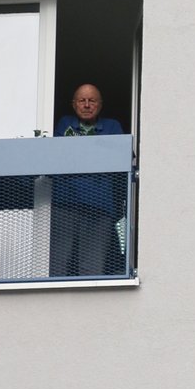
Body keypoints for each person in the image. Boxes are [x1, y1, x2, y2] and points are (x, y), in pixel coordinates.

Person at [50, 82, 128, 277]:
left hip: (99, 205)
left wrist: (78, 158)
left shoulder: (112, 126)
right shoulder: (65, 123)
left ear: (100, 105)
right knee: (59, 262)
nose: (86, 105)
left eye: (92, 101)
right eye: (82, 101)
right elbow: (58, 158)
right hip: (65, 203)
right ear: (74, 104)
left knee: (92, 265)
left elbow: (121, 157)